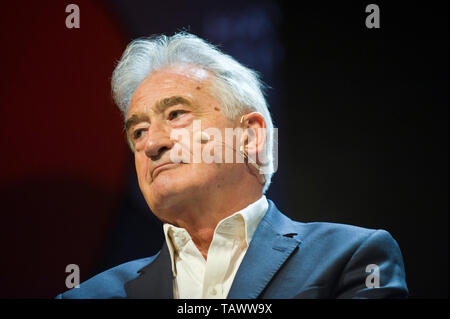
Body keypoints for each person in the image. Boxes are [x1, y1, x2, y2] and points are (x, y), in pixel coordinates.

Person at [56, 32, 408, 299]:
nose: (151, 144)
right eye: (138, 131)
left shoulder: (350, 259)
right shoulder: (88, 295)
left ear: (251, 136)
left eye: (176, 114)